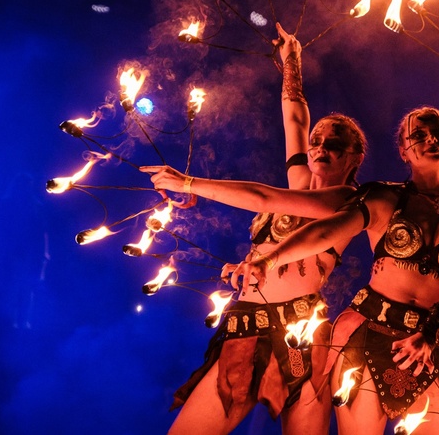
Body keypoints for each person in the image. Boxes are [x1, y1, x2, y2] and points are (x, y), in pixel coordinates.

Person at [142, 23, 366, 435]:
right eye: (317, 141)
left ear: (354, 158)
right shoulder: (299, 180)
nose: (320, 147)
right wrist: (292, 61)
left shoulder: (347, 201)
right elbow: (295, 119)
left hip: (301, 335)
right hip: (247, 325)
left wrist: (189, 183)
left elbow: (263, 197)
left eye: (334, 145)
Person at [226, 107, 439, 435]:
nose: (431, 140)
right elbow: (326, 231)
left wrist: (429, 336)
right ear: (403, 150)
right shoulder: (384, 197)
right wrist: (270, 260)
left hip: (429, 341)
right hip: (368, 335)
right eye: (419, 136)